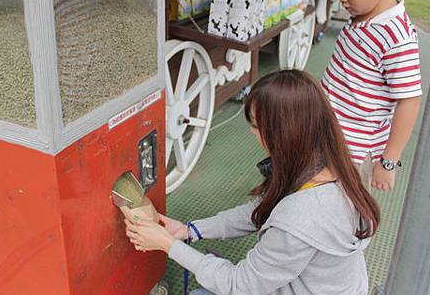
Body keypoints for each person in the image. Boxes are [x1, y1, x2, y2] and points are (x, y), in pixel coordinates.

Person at [124, 70, 380, 295]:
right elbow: (264, 210)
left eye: (257, 126)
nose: (252, 132)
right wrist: (191, 230)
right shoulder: (329, 167)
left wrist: (168, 244)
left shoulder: (299, 218)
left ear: (285, 133)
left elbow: (239, 285)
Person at [322, 0, 423, 191]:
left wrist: (388, 162)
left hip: (353, 153)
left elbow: (409, 101)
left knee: (344, 217)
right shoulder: (362, 11)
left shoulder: (397, 38)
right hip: (327, 133)